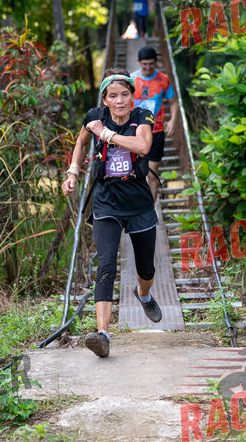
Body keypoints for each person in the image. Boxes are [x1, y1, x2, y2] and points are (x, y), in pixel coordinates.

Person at [62, 68, 163, 358]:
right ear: (105, 99)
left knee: (146, 268)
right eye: (113, 96)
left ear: (132, 96)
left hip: (138, 201)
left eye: (125, 95)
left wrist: (106, 134)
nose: (119, 101)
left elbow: (143, 145)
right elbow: (82, 141)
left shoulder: (142, 116)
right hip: (106, 200)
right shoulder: (95, 116)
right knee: (106, 264)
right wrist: (73, 172)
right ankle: (103, 335)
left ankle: (143, 294)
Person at [130, 46, 179, 202]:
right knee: (133, 173)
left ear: (156, 62)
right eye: (144, 64)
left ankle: (150, 209)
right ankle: (134, 206)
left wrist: (173, 120)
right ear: (138, 62)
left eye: (151, 63)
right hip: (133, 132)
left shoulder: (163, 79)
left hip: (156, 131)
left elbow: (173, 102)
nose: (148, 67)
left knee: (152, 174)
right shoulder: (131, 80)